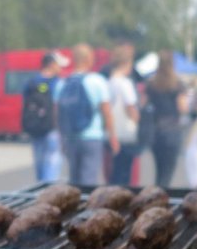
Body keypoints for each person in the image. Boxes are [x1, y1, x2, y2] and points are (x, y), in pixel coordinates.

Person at [57, 43, 118, 186]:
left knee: (74, 180)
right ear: (88, 59)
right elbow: (106, 112)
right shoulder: (97, 81)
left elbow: (58, 114)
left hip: (71, 137)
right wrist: (113, 137)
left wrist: (62, 138)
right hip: (92, 137)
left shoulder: (63, 83)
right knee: (88, 180)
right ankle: (86, 207)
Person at [21, 51, 67, 183]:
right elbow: (59, 107)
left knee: (39, 161)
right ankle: (49, 189)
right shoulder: (58, 83)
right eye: (59, 65)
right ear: (52, 64)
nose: (61, 68)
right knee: (52, 162)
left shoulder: (31, 83)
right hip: (52, 129)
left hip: (35, 128)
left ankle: (40, 188)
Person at [144, 50, 187, 188]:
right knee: (168, 172)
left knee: (159, 170)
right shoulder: (177, 84)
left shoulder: (151, 83)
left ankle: (156, 193)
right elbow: (182, 107)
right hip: (172, 130)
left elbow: (144, 104)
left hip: (156, 129)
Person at [107, 48, 140, 186]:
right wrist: (138, 120)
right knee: (125, 173)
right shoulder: (125, 84)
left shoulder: (109, 82)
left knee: (115, 172)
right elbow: (130, 107)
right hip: (125, 134)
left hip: (112, 132)